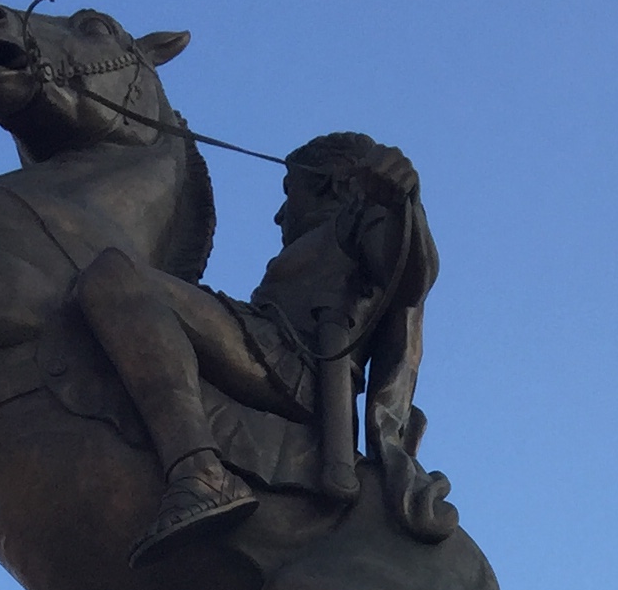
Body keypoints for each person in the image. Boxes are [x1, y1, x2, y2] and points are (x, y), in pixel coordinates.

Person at [69, 134, 457, 564]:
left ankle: (201, 472)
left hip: (293, 362)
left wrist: (397, 203)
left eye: (290, 192)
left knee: (118, 277)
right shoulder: (325, 237)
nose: (279, 215)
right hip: (266, 341)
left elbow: (407, 276)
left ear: (329, 184)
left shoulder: (360, 220)